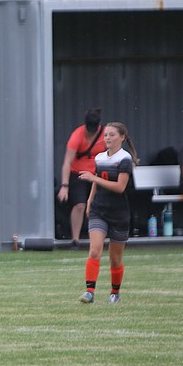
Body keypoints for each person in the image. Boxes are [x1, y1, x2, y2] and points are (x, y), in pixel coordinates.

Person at [78, 122, 138, 304]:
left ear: (122, 137)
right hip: (99, 210)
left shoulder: (125, 159)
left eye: (112, 135)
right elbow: (96, 182)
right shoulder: (100, 158)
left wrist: (94, 178)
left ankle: (115, 293)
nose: (107, 138)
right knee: (94, 250)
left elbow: (120, 187)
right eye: (105, 135)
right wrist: (90, 201)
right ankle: (89, 292)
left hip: (119, 213)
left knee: (115, 258)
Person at [57, 107, 106, 249]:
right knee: (80, 205)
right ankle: (75, 240)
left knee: (100, 206)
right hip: (78, 173)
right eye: (89, 129)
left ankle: (99, 238)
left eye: (94, 129)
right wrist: (64, 186)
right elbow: (67, 162)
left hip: (97, 174)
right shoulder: (77, 135)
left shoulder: (105, 134)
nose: (91, 132)